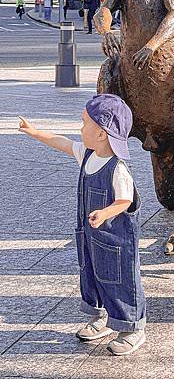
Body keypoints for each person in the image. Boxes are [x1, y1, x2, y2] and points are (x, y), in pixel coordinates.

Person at [18, 94, 147, 355]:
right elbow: (63, 143)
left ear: (101, 133)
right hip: (90, 236)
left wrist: (105, 212)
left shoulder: (117, 167)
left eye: (83, 123)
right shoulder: (88, 155)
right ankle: (102, 317)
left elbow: (126, 199)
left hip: (116, 241)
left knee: (120, 280)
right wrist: (34, 132)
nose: (79, 129)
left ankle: (132, 328)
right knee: (91, 273)